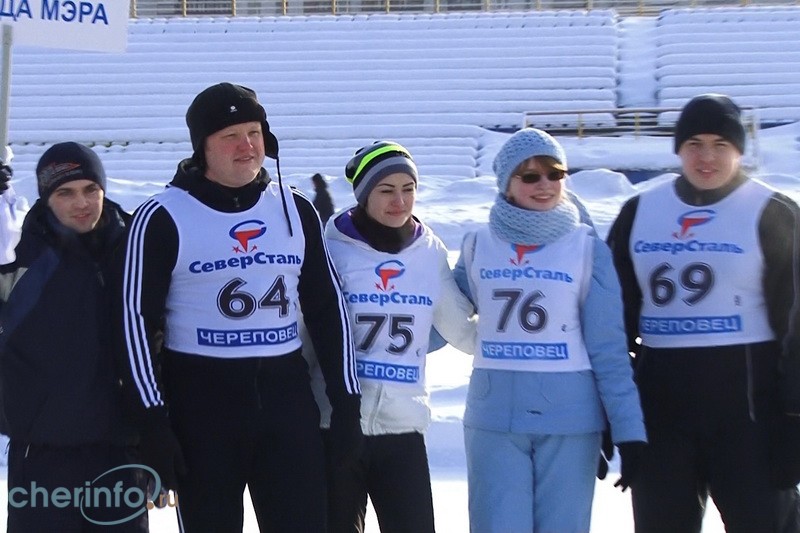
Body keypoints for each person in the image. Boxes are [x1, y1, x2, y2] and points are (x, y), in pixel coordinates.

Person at [119, 82, 362, 532]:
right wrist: (151, 422)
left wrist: (346, 403)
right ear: (202, 146)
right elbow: (134, 324)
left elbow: (328, 310)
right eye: (230, 135)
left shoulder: (295, 209)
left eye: (254, 132)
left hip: (285, 404)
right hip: (202, 410)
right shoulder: (162, 215)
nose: (247, 146)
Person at [606, 93, 800, 532]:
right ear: (678, 149)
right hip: (662, 417)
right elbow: (612, 323)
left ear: (739, 150)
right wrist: (610, 409)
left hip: (750, 419)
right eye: (694, 143)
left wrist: (793, 418)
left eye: (720, 144)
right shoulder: (639, 212)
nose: (706, 157)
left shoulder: (773, 211)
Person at [454, 128, 647, 533]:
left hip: (569, 422)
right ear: (507, 182)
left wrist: (629, 432)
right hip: (494, 420)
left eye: (554, 174)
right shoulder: (476, 245)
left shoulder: (587, 248)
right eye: (529, 176)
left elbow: (608, 350)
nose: (544, 185)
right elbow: (436, 322)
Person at [304, 141, 477, 533]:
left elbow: (462, 329)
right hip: (335, 426)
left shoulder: (429, 250)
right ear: (363, 194)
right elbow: (306, 338)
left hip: (402, 429)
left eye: (408, 189)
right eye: (386, 190)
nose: (400, 201)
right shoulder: (331, 249)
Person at [0, 142, 148, 531]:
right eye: (64, 192)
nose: (81, 203)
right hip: (41, 454)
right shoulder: (17, 252)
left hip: (120, 453)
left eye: (90, 190)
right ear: (46, 198)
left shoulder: (135, 247)